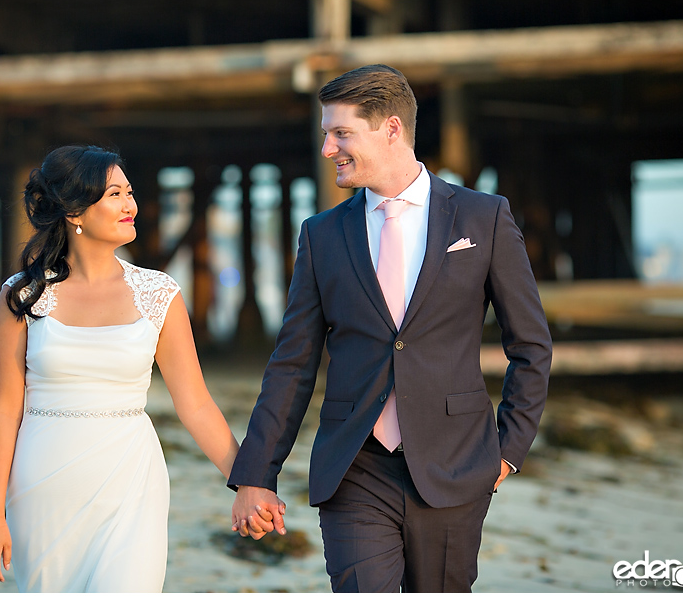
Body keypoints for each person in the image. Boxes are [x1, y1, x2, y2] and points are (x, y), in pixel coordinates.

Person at [228, 65, 553, 592]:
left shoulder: (483, 218)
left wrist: (508, 453)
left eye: (342, 133)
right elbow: (292, 364)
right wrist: (254, 474)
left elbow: (531, 346)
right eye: (327, 134)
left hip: (455, 466)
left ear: (392, 128)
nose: (329, 148)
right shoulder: (322, 235)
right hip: (354, 466)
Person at [0, 145, 270, 592]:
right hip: (43, 484)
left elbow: (196, 405)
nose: (130, 204)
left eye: (129, 192)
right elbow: (4, 413)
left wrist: (247, 482)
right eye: (115, 194)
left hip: (131, 479)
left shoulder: (159, 294)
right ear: (75, 210)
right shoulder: (22, 295)